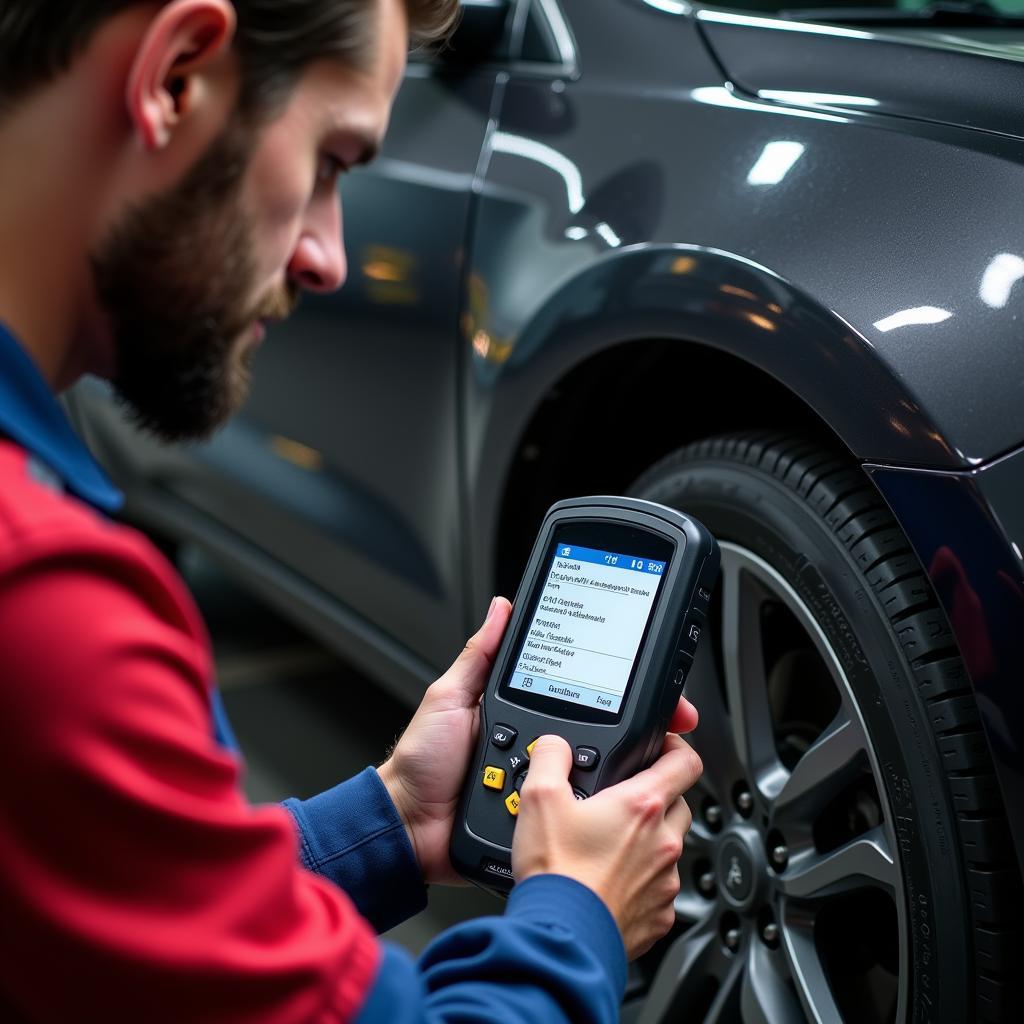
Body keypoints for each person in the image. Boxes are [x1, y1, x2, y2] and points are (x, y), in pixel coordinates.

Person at [0, 1, 704, 1020]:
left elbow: (125, 902)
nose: (327, 255)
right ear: (175, 77)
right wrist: (576, 917)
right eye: (330, 162)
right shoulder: (49, 609)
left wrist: (391, 822)